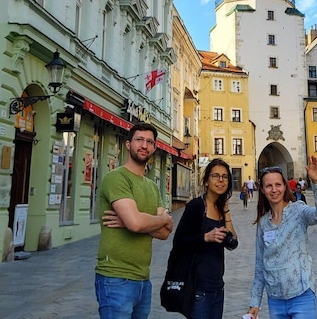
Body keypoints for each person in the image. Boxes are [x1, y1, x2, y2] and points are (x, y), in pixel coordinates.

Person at [95, 122, 174, 318]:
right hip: (115, 277)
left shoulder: (152, 186)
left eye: (149, 142)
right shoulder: (116, 178)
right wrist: (157, 219)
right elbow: (138, 223)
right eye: (139, 140)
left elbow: (165, 233)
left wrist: (134, 223)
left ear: (154, 148)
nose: (144, 145)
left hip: (143, 279)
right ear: (128, 144)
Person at [247, 157, 317, 319]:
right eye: (268, 186)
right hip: (276, 299)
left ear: (285, 187)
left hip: (302, 295)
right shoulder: (263, 223)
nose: (274, 189)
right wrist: (254, 303)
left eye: (278, 184)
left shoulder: (298, 211)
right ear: (262, 190)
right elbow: (259, 265)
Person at [172, 159, 238, 319]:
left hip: (217, 286)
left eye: (224, 177)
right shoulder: (196, 206)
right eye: (215, 176)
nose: (221, 180)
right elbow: (179, 241)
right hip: (197, 288)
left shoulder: (220, 208)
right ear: (207, 181)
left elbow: (233, 243)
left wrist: (226, 212)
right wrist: (206, 237)